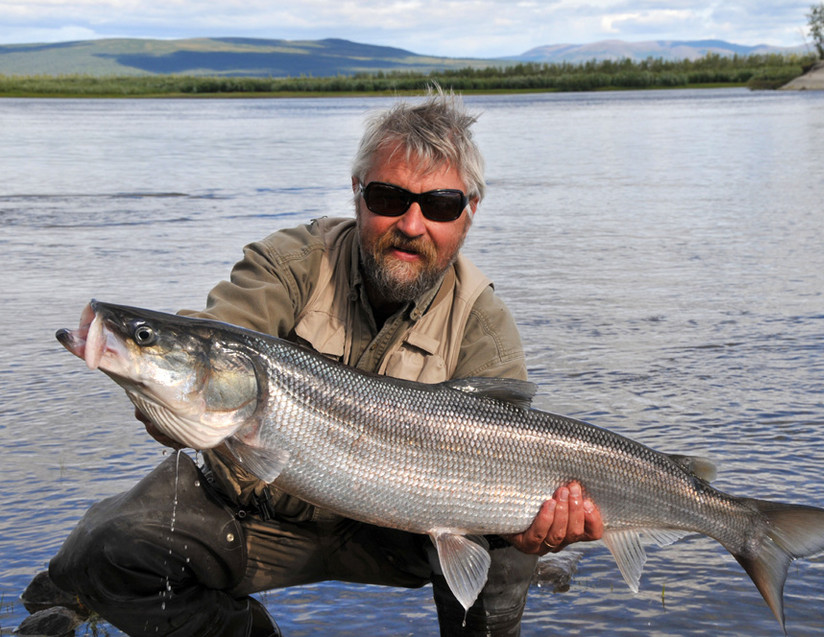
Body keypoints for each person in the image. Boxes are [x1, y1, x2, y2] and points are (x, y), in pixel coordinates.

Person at [45, 89, 603, 637]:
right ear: (358, 193)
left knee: (508, 548)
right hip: (258, 518)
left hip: (399, 533)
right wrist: (145, 371)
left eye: (438, 205)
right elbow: (218, 337)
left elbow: (520, 470)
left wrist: (539, 531)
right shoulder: (290, 263)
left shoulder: (482, 325)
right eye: (388, 198)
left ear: (469, 213)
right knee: (104, 548)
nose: (411, 224)